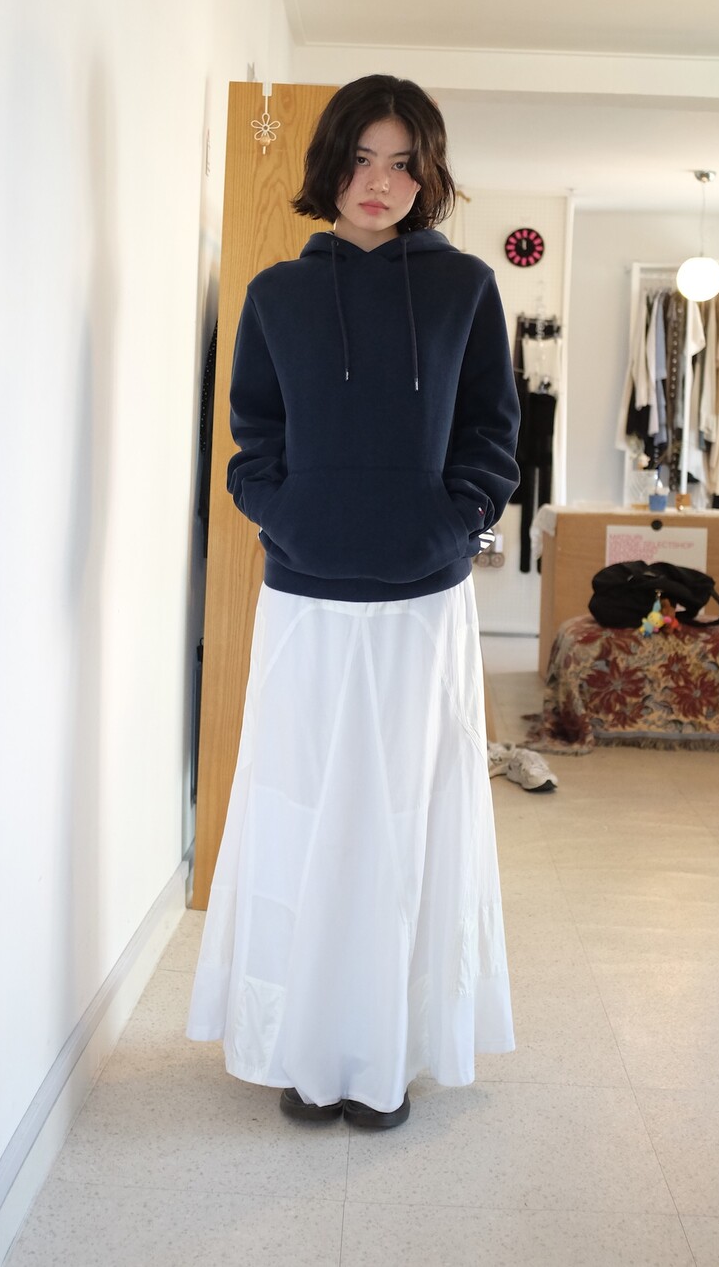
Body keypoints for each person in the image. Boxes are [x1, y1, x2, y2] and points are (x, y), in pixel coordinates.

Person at [186, 75, 520, 1129]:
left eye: (403, 162)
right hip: (307, 598)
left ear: (428, 175)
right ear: (329, 164)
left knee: (404, 820)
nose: (380, 182)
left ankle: (390, 1052)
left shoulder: (466, 287)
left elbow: (492, 435)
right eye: (362, 158)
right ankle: (306, 1047)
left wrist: (451, 524)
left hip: (424, 600)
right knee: (304, 816)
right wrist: (289, 519)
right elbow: (252, 442)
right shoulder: (277, 295)